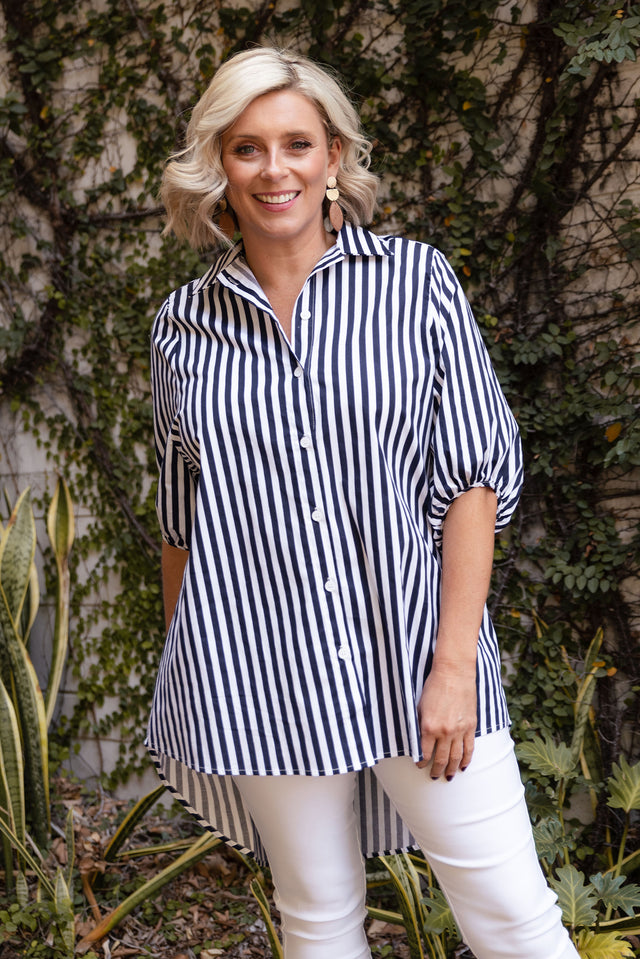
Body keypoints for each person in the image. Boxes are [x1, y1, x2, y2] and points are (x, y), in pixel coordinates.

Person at [147, 45, 580, 959]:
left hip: (414, 655)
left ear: (334, 156)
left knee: (513, 916)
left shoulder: (414, 283)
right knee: (318, 917)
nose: (275, 170)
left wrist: (454, 667)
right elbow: (182, 518)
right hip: (256, 669)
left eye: (297, 143)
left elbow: (473, 480)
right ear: (218, 164)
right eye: (248, 147)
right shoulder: (181, 326)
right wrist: (201, 674)